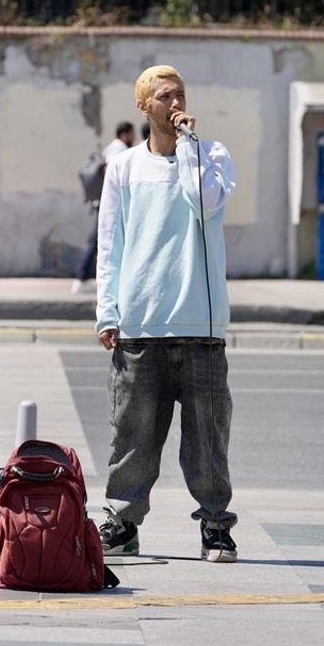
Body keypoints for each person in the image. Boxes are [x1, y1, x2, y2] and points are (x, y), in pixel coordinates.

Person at [95, 65, 239, 563]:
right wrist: (107, 311)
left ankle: (216, 526)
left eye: (181, 94)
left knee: (208, 439)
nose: (175, 103)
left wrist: (189, 148)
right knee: (132, 437)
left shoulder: (210, 155)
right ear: (143, 106)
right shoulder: (125, 167)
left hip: (200, 327)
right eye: (164, 96)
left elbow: (204, 204)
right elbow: (110, 242)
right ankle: (123, 523)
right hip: (140, 322)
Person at [73, 121, 135, 294]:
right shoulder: (119, 150)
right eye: (131, 134)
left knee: (101, 239)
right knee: (99, 239)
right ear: (125, 134)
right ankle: (82, 277)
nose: (133, 137)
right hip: (109, 203)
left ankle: (84, 277)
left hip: (104, 202)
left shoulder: (111, 148)